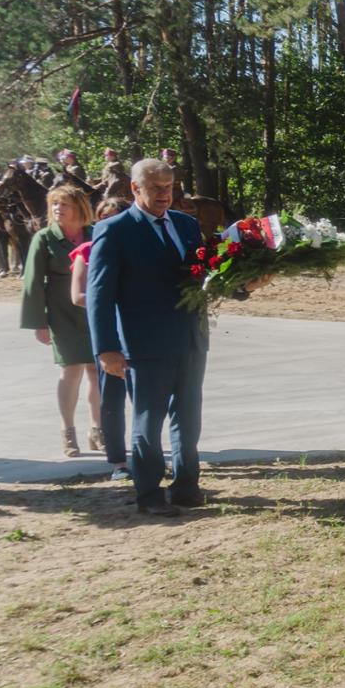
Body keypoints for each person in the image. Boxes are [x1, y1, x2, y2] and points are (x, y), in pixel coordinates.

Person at [87, 159, 267, 516]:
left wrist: (243, 287)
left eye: (168, 187)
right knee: (147, 422)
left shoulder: (186, 225)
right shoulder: (114, 230)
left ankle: (187, 486)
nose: (164, 194)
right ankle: (149, 494)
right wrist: (106, 348)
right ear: (135, 189)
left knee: (188, 417)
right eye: (155, 187)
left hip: (190, 338)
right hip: (144, 344)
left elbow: (205, 276)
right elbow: (99, 294)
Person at [20, 185, 99, 457]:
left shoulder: (96, 233)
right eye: (54, 204)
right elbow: (32, 283)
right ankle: (68, 432)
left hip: (94, 311)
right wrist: (38, 322)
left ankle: (97, 430)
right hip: (61, 313)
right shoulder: (44, 238)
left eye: (63, 204)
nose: (57, 209)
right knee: (71, 371)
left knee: (97, 371)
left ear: (79, 207)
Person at [71, 197, 132, 479]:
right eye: (103, 218)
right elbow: (79, 296)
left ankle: (150, 456)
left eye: (116, 217)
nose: (108, 223)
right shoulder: (87, 250)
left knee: (148, 401)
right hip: (111, 333)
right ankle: (118, 462)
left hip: (141, 332)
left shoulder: (139, 249)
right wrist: (110, 297)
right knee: (112, 401)